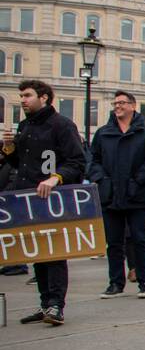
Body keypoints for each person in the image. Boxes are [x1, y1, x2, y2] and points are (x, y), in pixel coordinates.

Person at [1, 80, 86, 325]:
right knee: (38, 251)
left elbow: (77, 163)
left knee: (55, 252)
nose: (23, 100)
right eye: (21, 96)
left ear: (45, 97)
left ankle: (56, 305)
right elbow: (21, 164)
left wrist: (55, 178)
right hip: (28, 197)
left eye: (27, 95)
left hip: (52, 198)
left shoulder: (62, 125)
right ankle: (45, 303)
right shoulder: (26, 125)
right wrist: (9, 149)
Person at [90, 90, 145, 300]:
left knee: (141, 239)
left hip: (136, 195)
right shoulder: (103, 133)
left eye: (122, 103)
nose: (118, 106)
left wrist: (137, 181)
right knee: (113, 242)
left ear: (133, 105)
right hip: (110, 195)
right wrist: (102, 180)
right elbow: (92, 160)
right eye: (115, 103)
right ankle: (115, 283)